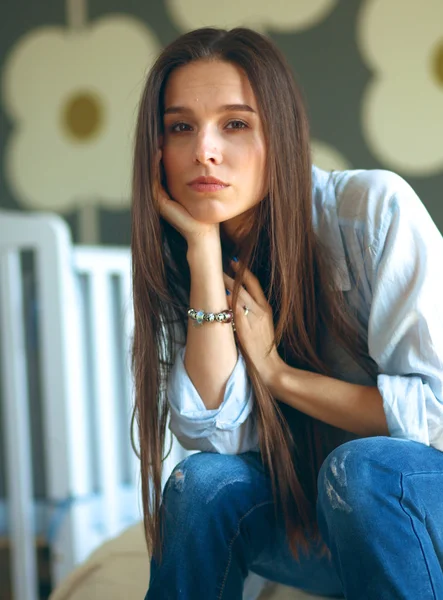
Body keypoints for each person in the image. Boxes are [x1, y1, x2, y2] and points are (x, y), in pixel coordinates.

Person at [130, 26, 443, 600]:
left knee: (364, 470)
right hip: (327, 525)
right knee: (200, 485)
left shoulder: (372, 211)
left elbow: (435, 412)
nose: (205, 149)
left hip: (419, 512)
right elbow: (216, 438)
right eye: (181, 127)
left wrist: (279, 376)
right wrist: (203, 252)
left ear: (281, 135)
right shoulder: (192, 260)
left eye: (235, 123)